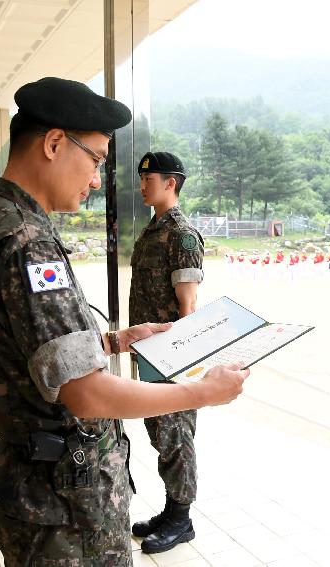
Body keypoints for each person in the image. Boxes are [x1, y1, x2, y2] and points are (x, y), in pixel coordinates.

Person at [0, 77, 249, 566]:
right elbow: (85, 393)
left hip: (46, 493)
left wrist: (113, 340)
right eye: (95, 159)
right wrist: (203, 392)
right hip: (65, 509)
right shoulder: (27, 241)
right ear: (53, 143)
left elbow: (31, 344)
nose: (96, 180)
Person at [127, 151, 206, 554]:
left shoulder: (181, 233)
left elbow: (188, 307)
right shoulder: (153, 229)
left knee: (176, 436)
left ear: (170, 183)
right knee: (160, 433)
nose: (142, 185)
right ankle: (171, 507)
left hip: (172, 356)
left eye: (149, 179)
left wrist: (179, 362)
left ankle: (181, 518)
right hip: (149, 353)